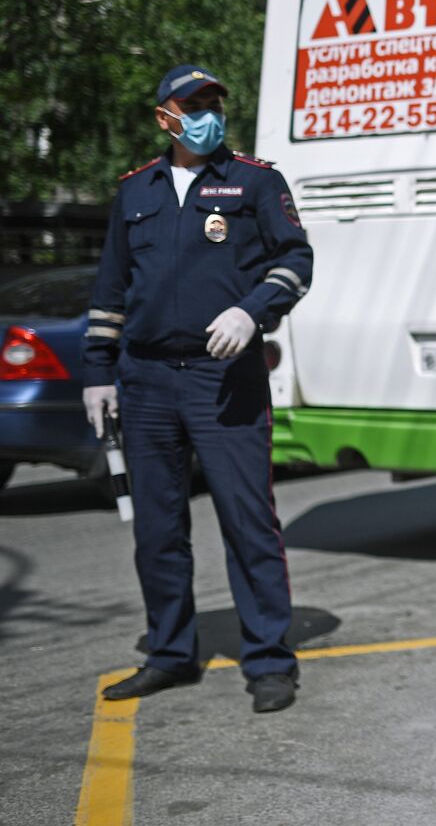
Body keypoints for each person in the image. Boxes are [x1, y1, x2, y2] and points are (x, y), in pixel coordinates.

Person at [82, 65, 313, 714]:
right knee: (157, 528)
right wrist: (98, 372)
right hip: (147, 379)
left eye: (215, 101)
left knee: (247, 522)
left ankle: (269, 660)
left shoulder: (255, 181)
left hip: (224, 378)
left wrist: (252, 311)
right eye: (195, 104)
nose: (209, 112)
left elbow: (296, 261)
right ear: (166, 116)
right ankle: (170, 653)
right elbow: (109, 292)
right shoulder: (135, 192)